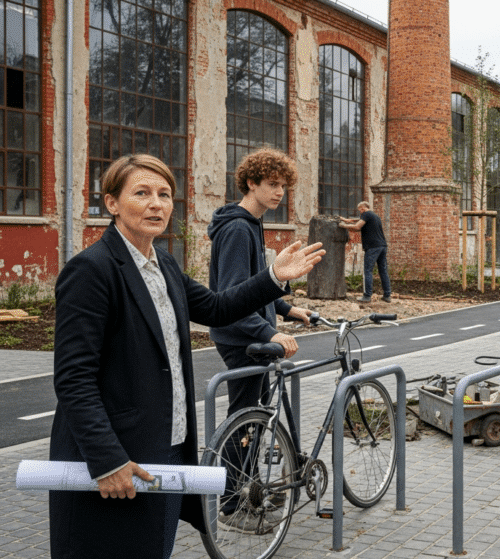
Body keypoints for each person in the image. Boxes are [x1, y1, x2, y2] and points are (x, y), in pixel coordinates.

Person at [49, 154, 324, 559]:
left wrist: (273, 277)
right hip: (116, 457)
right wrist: (107, 460)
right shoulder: (92, 270)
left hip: (166, 446)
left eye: (164, 194)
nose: (156, 204)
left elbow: (215, 307)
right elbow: (74, 379)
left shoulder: (163, 264)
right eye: (141, 193)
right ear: (111, 203)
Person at [207, 147, 315, 528]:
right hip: (241, 337)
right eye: (272, 184)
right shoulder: (237, 228)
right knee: (243, 424)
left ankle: (247, 496)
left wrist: (285, 310)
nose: (279, 192)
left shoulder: (250, 223)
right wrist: (270, 330)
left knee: (252, 423)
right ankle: (232, 507)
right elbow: (232, 295)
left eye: (283, 186)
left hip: (250, 332)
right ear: (250, 183)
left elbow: (254, 285)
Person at [341, 201, 391, 303]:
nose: (360, 212)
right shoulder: (374, 216)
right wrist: (346, 220)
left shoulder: (366, 214)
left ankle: (367, 296)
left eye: (359, 210)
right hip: (382, 246)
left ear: (363, 208)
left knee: (367, 271)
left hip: (373, 247)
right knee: (383, 271)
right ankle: (387, 295)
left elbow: (357, 227)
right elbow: (357, 223)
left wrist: (343, 225)